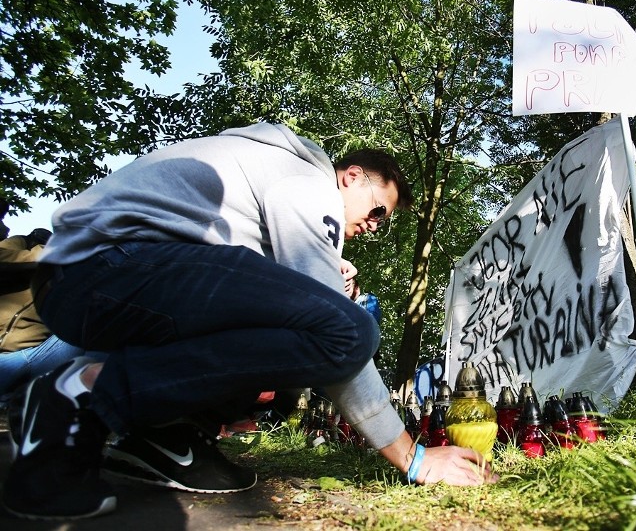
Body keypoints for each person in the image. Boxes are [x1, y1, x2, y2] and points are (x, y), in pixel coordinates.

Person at [2, 122, 497, 521]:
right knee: (349, 329)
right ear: (350, 176)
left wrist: (310, 284)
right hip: (108, 267)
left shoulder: (262, 174)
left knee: (303, 326)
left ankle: (162, 432)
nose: (372, 226)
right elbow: (338, 332)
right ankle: (82, 394)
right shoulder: (307, 180)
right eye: (377, 212)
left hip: (86, 277)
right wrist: (413, 456)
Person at [0, 228, 84, 403]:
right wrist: (46, 252)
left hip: (38, 355)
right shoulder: (18, 244)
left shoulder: (69, 275)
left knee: (95, 331)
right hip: (5, 360)